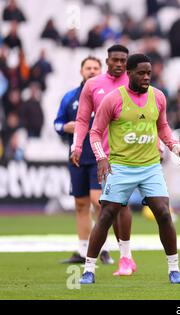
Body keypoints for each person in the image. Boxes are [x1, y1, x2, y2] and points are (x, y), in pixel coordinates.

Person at [79, 54, 180, 285]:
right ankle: (89, 269)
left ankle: (174, 269)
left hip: (150, 167)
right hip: (120, 166)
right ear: (129, 73)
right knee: (107, 214)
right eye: (141, 73)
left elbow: (163, 127)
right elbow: (95, 132)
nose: (146, 77)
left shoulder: (158, 97)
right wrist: (101, 158)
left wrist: (174, 145)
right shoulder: (113, 99)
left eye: (149, 73)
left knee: (164, 213)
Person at [71, 45, 136, 276]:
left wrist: (157, 144)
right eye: (115, 60)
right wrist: (77, 145)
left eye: (123, 61)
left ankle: (123, 257)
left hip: (128, 153)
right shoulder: (93, 85)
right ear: (107, 60)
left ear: (127, 62)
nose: (119, 64)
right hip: (102, 154)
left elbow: (149, 116)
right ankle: (117, 255)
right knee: (110, 206)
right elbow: (81, 119)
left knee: (118, 205)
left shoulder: (135, 82)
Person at [54, 56, 114, 264]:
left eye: (95, 68)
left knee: (99, 202)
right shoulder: (70, 97)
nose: (91, 71)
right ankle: (82, 250)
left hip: (100, 156)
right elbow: (57, 123)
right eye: (88, 68)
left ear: (101, 71)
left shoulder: (108, 96)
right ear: (81, 71)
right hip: (77, 157)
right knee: (80, 204)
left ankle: (103, 249)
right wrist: (65, 127)